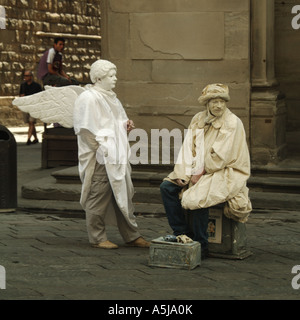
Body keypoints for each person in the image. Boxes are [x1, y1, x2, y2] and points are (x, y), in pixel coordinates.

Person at [160, 83, 252, 258]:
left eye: (221, 102)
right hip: (197, 169)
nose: (218, 106)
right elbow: (188, 148)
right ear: (207, 104)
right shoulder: (198, 119)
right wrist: (183, 174)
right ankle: (182, 233)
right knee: (167, 187)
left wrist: (199, 172)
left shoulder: (232, 122)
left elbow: (220, 157)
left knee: (199, 196)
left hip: (226, 170)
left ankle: (202, 244)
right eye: (214, 102)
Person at [73, 59, 150, 249]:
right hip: (101, 156)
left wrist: (125, 126)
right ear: (99, 77)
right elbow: (86, 130)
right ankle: (98, 237)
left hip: (115, 154)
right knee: (99, 194)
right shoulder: (88, 98)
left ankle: (131, 235)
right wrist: (103, 151)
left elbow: (116, 122)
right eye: (111, 75)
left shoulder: (111, 97)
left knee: (122, 194)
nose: (115, 79)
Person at [19, 70, 42, 145]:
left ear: (31, 76)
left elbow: (40, 96)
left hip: (34, 107)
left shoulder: (37, 86)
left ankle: (28, 139)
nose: (25, 77)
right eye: (24, 76)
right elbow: (21, 95)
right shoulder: (23, 85)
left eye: (27, 76)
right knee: (30, 123)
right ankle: (35, 138)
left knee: (31, 122)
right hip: (26, 106)